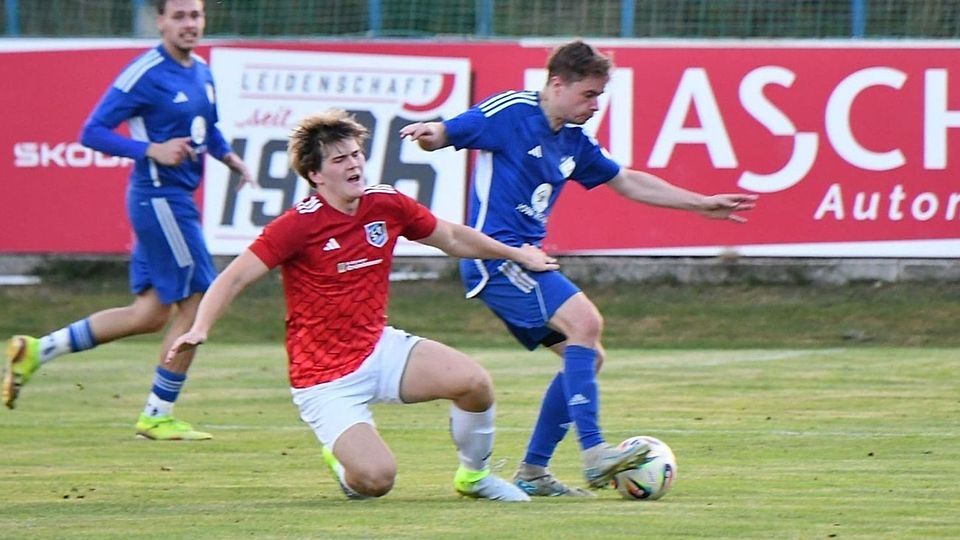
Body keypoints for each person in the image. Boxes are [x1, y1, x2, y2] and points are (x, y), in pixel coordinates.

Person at [399, 39, 758, 497]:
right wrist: (432, 133)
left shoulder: (573, 140)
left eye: (600, 96)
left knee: (586, 356)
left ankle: (533, 470)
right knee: (586, 322)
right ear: (557, 84)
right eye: (589, 94)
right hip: (496, 258)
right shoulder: (511, 112)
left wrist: (700, 204)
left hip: (527, 260)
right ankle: (594, 454)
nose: (595, 105)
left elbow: (626, 180)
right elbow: (451, 130)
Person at [164, 109, 560, 501]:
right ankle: (345, 464)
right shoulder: (297, 225)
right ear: (315, 175)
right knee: (376, 480)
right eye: (340, 159)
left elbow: (453, 238)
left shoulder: (386, 204)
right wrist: (200, 328)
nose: (354, 163)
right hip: (323, 379)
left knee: (474, 384)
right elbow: (233, 277)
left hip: (377, 348)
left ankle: (475, 477)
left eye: (356, 154)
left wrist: (517, 254)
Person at [2, 0, 253, 441]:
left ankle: (38, 351)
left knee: (150, 314)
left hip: (172, 201)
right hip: (159, 199)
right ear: (160, 21)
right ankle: (157, 413)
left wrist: (232, 160)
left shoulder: (201, 70)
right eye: (179, 16)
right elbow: (91, 131)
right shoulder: (145, 72)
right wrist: (149, 150)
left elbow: (206, 128)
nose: (189, 24)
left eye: (195, 15)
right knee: (199, 302)